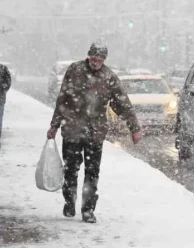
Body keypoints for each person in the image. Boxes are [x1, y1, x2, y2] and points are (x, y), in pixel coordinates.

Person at [47, 42, 142, 223]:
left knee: (92, 173)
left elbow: (122, 104)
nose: (95, 61)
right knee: (70, 170)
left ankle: (88, 210)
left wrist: (134, 128)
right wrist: (54, 125)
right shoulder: (74, 70)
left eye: (99, 59)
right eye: (93, 57)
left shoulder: (109, 77)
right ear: (88, 55)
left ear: (104, 60)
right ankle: (70, 200)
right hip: (72, 130)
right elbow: (63, 99)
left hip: (94, 133)